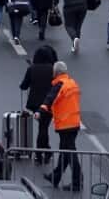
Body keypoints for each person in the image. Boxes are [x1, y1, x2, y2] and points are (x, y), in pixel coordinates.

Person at [40, 62, 83, 191]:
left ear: (56, 73)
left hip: (66, 124)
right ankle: (55, 177)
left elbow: (50, 98)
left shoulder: (59, 84)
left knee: (70, 154)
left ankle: (77, 182)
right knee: (65, 152)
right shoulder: (71, 82)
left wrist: (40, 111)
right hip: (73, 122)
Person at [20, 45, 58, 164]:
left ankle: (42, 153)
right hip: (49, 103)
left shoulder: (32, 68)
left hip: (35, 104)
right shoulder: (52, 69)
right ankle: (42, 153)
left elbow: (24, 85)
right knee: (43, 127)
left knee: (42, 127)